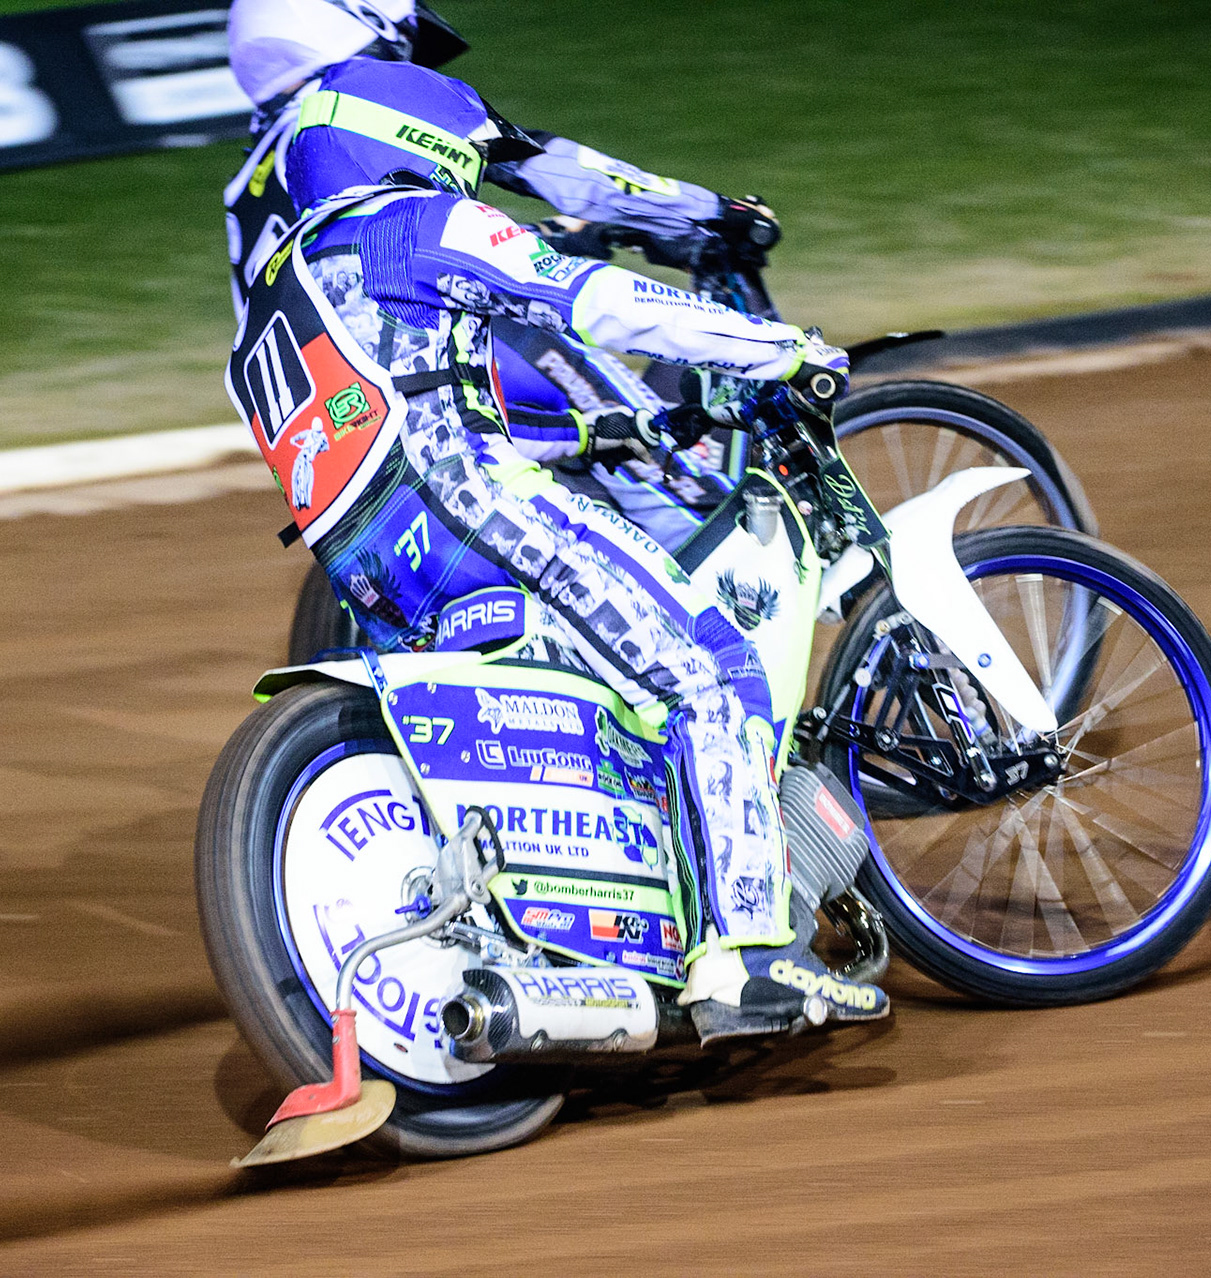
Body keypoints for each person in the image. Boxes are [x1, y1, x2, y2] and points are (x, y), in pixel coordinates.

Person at [221, 54, 887, 1038]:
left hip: (370, 567)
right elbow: (600, 303)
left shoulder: (281, 290)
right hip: (476, 512)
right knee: (713, 673)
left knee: (594, 709)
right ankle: (740, 970)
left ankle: (589, 933)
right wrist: (777, 349)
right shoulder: (416, 225)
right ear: (417, 134)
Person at [225, 0, 780, 549]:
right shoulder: (355, 111)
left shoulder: (249, 185)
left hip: (330, 416)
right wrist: (711, 209)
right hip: (448, 344)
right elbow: (563, 176)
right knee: (687, 486)